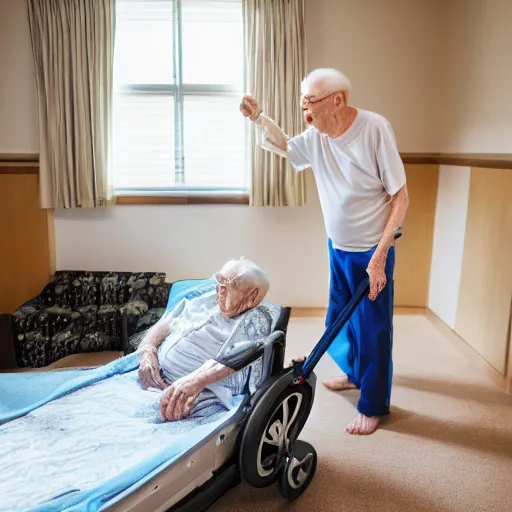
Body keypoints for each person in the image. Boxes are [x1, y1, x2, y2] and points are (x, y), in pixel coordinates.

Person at [240, 68, 409, 436]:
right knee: (340, 317)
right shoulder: (318, 136)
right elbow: (285, 145)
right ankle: (354, 374)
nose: (306, 112)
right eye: (303, 103)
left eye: (311, 102)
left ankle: (373, 403)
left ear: (338, 100)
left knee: (375, 326)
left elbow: (400, 198)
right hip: (339, 246)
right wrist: (259, 119)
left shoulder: (374, 129)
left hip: (371, 250)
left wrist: (380, 257)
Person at [137, 258, 273, 422]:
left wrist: (195, 381)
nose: (220, 290)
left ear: (252, 296)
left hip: (183, 400)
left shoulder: (258, 319)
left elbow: (250, 352)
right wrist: (147, 350)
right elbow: (166, 323)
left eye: (231, 285)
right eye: (219, 281)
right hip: (147, 377)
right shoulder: (206, 298)